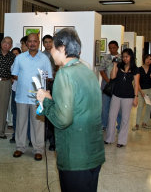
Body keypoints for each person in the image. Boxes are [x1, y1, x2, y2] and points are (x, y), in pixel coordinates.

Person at [36, 28, 105, 192]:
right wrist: (53, 101)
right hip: (93, 152)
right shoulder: (87, 71)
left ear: (62, 48)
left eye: (52, 47)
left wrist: (45, 101)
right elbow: (80, 106)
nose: (50, 52)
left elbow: (62, 119)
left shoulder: (64, 74)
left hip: (75, 156)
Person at [11, 33, 52, 161]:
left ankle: (38, 149)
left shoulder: (44, 59)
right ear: (26, 43)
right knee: (21, 123)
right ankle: (20, 147)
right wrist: (26, 80)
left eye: (35, 41)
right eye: (30, 41)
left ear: (38, 42)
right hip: (22, 96)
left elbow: (48, 77)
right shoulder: (20, 58)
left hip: (38, 98)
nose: (32, 43)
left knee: (38, 125)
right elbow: (14, 74)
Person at [105, 48, 139, 147]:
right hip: (116, 94)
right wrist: (115, 65)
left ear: (131, 57)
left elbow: (136, 84)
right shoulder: (119, 65)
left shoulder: (135, 69)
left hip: (128, 96)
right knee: (111, 117)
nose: (125, 59)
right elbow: (112, 77)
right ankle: (109, 138)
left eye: (127, 57)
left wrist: (135, 97)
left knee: (125, 119)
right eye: (123, 57)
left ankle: (121, 141)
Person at [99, 40, 122, 131]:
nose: (112, 49)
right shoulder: (105, 57)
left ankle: (119, 125)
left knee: (118, 107)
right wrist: (108, 81)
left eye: (114, 48)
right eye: (110, 48)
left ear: (117, 47)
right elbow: (101, 70)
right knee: (105, 106)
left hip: (118, 85)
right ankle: (104, 124)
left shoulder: (121, 58)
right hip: (106, 84)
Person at [132, 54, 151, 131]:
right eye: (147, 59)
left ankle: (145, 123)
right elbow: (136, 82)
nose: (148, 60)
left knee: (149, 107)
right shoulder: (138, 69)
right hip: (141, 90)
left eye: (150, 59)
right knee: (140, 107)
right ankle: (137, 124)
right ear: (144, 59)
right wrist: (140, 91)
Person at [42, 34, 57, 151]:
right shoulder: (40, 55)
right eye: (45, 42)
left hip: (56, 85)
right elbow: (39, 70)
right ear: (43, 44)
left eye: (49, 42)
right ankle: (42, 137)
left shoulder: (57, 53)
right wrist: (46, 77)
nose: (48, 44)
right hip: (44, 85)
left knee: (53, 112)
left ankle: (53, 141)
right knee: (44, 111)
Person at [9, 47, 21, 143]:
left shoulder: (23, 61)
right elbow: (13, 75)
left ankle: (28, 136)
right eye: (13, 54)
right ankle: (15, 135)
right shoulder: (13, 64)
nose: (15, 55)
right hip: (15, 91)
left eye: (16, 53)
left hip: (25, 92)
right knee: (15, 114)